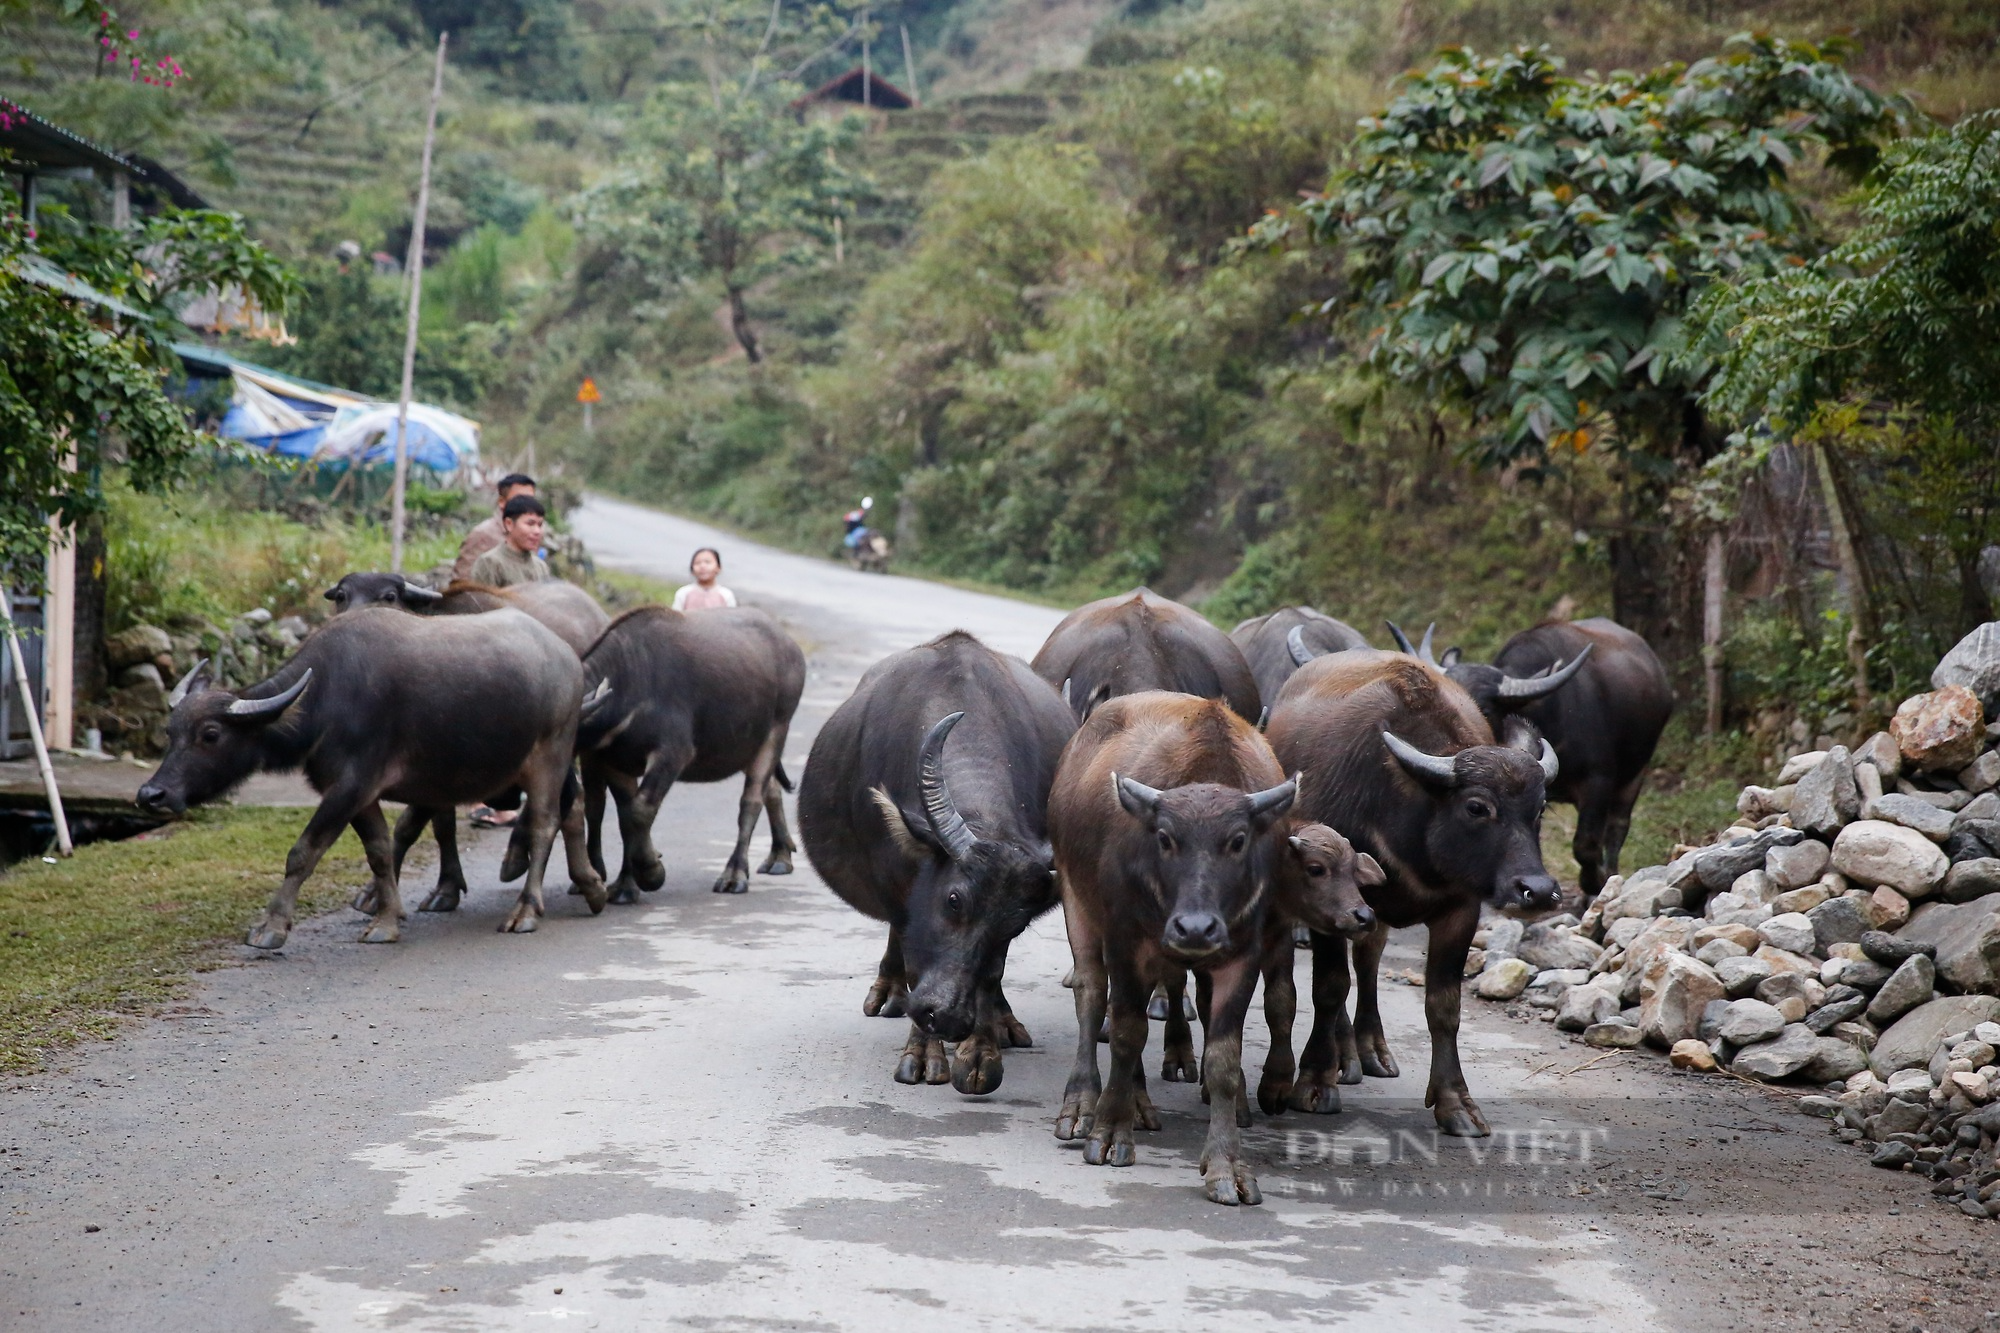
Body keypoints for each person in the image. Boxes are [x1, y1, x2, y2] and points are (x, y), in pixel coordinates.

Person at [455, 473, 536, 581]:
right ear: (501, 502)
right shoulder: (483, 535)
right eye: (519, 499)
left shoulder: (533, 533)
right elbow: (462, 583)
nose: (526, 505)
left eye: (530, 500)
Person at [467, 494, 551, 588]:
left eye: (540, 525)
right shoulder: (490, 563)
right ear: (509, 524)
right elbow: (482, 601)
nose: (537, 531)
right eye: (530, 524)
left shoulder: (540, 567)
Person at [672, 548, 737, 611]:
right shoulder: (683, 593)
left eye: (707, 562)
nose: (702, 566)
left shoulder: (726, 595)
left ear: (718, 568)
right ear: (692, 569)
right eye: (697, 563)